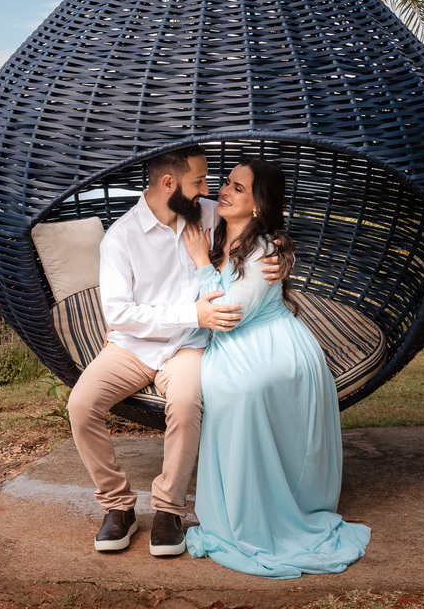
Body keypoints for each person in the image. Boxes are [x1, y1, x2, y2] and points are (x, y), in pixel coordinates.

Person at [68, 145, 288, 556]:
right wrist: (190, 313)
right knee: (81, 403)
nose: (208, 190)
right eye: (199, 182)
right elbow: (119, 314)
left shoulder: (207, 215)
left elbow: (255, 233)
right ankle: (118, 506)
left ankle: (169, 508)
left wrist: (281, 250)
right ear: (169, 184)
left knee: (186, 403)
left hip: (188, 347)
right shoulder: (121, 238)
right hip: (132, 347)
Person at [181, 158, 370, 578]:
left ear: (259, 207)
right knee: (224, 386)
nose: (224, 191)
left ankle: (274, 506)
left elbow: (230, 314)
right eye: (226, 182)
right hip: (233, 342)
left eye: (238, 188)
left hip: (272, 344)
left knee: (239, 390)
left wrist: (200, 264)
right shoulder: (213, 221)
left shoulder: (266, 249)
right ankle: (239, 499)